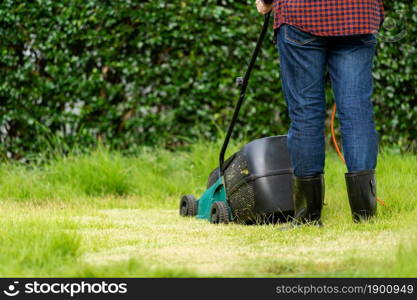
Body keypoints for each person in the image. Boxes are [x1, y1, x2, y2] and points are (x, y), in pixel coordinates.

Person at [255, 0, 384, 225]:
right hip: (358, 13)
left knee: (305, 111)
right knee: (357, 111)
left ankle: (308, 217)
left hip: (302, 13)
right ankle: (365, 216)